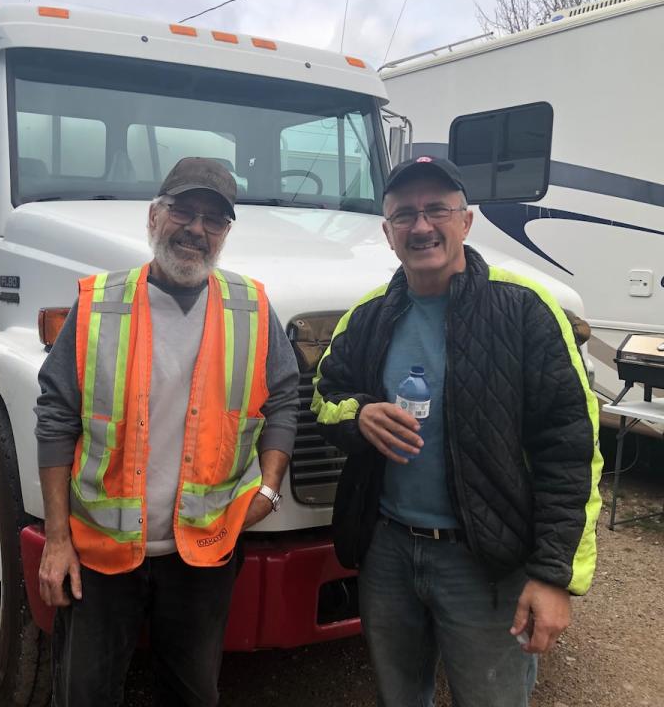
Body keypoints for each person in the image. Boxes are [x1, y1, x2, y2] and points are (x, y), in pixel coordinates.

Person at [311, 156, 603, 706]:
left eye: (436, 210)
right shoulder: (369, 314)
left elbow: (571, 450)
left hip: (486, 564)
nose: (421, 227)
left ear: (465, 221)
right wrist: (358, 413)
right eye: (405, 215)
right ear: (388, 232)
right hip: (389, 553)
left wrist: (553, 576)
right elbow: (324, 396)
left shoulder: (525, 309)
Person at [34, 157, 299, 707]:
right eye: (184, 210)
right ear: (155, 217)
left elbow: (285, 399)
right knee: (83, 694)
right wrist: (56, 539)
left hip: (201, 554)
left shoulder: (251, 307)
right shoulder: (99, 304)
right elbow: (56, 415)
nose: (197, 229)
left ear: (226, 233)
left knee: (192, 695)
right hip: (102, 554)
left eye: (214, 219)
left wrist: (269, 491)